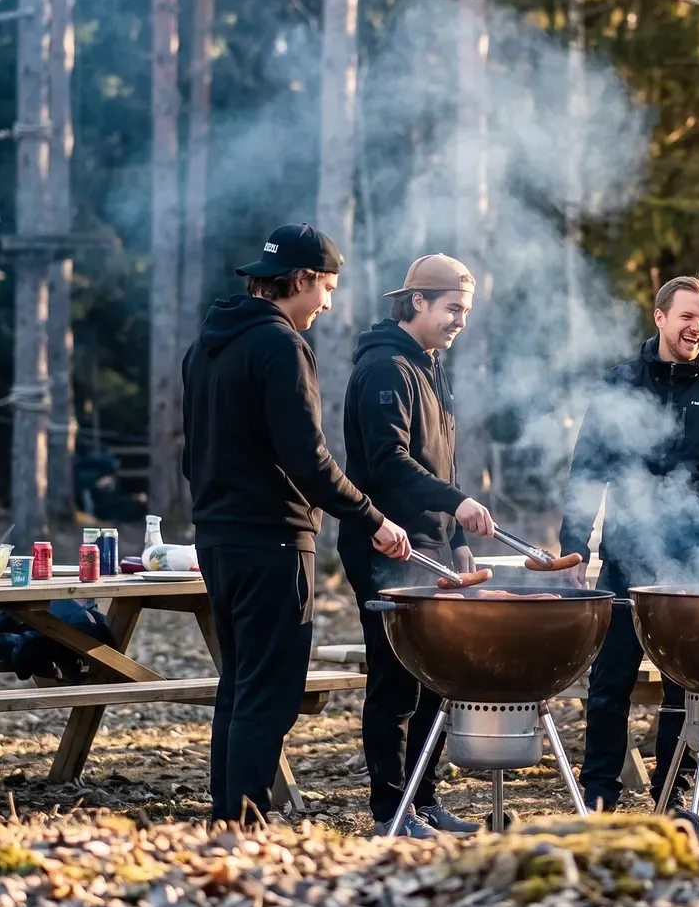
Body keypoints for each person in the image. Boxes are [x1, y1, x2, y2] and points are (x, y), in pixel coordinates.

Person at [182, 223, 410, 824]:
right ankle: (243, 828)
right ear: (301, 279)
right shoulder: (280, 346)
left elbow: (191, 453)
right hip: (273, 540)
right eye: (327, 288)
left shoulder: (206, 344)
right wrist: (370, 516)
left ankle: (228, 822)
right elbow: (305, 455)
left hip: (216, 537)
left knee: (239, 685)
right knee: (269, 691)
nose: (329, 303)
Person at [561, 275, 699, 813]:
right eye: (686, 317)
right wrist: (574, 545)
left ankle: (673, 797)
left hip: (692, 563)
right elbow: (588, 471)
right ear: (660, 317)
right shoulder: (620, 383)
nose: (695, 328)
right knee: (609, 684)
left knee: (685, 687)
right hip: (624, 559)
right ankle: (600, 792)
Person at [341, 254, 498, 839]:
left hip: (431, 545)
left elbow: (443, 462)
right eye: (452, 308)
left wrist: (457, 538)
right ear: (417, 303)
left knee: (434, 676)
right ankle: (390, 811)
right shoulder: (384, 369)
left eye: (466, 310)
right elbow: (388, 463)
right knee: (394, 681)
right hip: (384, 543)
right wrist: (458, 503)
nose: (460, 320)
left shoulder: (431, 367)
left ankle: (423, 799)